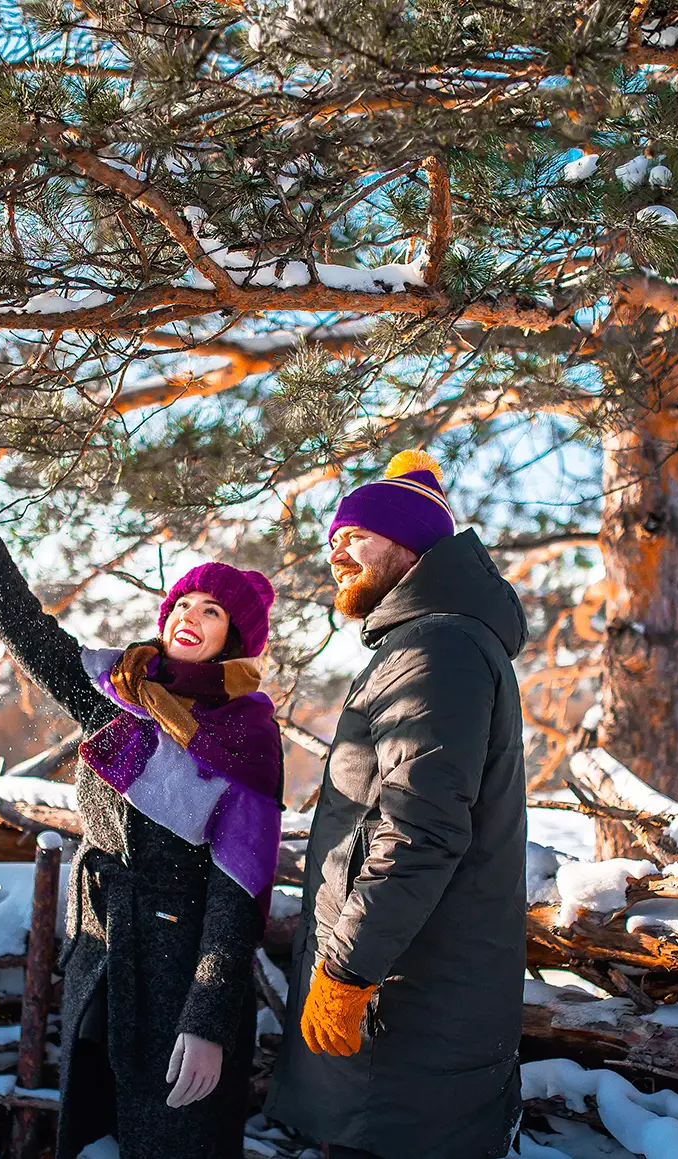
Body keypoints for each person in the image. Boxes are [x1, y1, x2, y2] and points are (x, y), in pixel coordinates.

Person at [0, 425, 283, 1159]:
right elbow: (29, 630)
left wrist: (207, 1019)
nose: (190, 618)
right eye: (184, 603)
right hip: (101, 961)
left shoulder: (246, 736)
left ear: (234, 637)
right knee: (93, 1139)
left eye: (212, 611)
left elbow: (240, 890)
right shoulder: (121, 698)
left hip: (179, 985)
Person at [265, 449, 528, 1159]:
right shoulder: (428, 641)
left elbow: (420, 831)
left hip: (406, 1024)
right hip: (410, 1021)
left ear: (409, 542)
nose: (336, 551)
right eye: (332, 539)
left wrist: (347, 971)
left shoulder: (436, 648)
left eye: (355, 534)